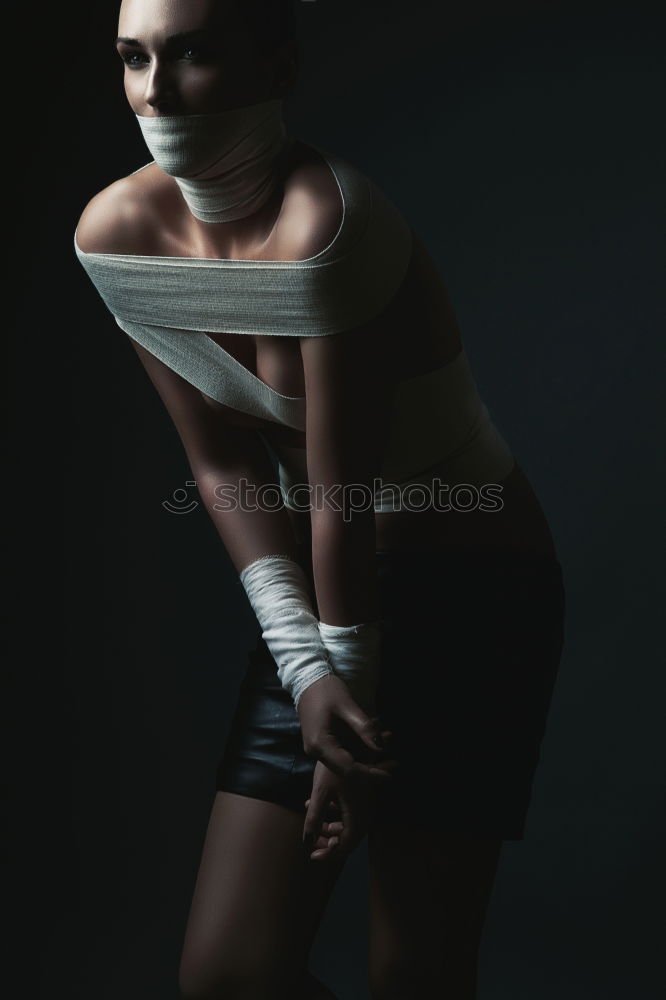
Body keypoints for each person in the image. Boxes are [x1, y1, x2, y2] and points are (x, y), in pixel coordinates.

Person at [74, 1, 566, 997]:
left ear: (278, 63)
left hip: (474, 583)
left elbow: (338, 486)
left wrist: (335, 669)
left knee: (415, 972)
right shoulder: (116, 231)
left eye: (195, 53)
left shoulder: (326, 221)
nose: (156, 91)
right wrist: (309, 671)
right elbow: (223, 466)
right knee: (227, 974)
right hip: (330, 590)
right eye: (133, 58)